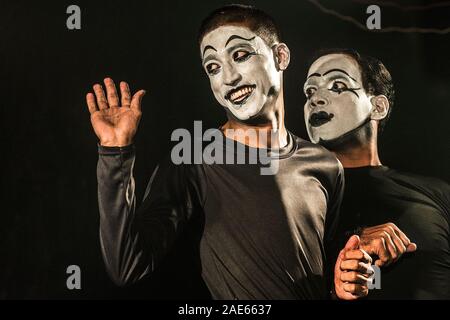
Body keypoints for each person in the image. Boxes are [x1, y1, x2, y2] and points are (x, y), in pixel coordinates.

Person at [86, 5, 393, 300]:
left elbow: (326, 277)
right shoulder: (194, 158)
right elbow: (126, 266)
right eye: (213, 67)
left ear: (280, 56)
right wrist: (115, 153)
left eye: (241, 55)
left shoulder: (325, 165)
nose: (228, 77)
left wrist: (345, 282)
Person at [302, 48, 450, 299]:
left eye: (337, 85)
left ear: (378, 107)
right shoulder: (298, 202)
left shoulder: (438, 193)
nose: (315, 99)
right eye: (310, 91)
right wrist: (337, 289)